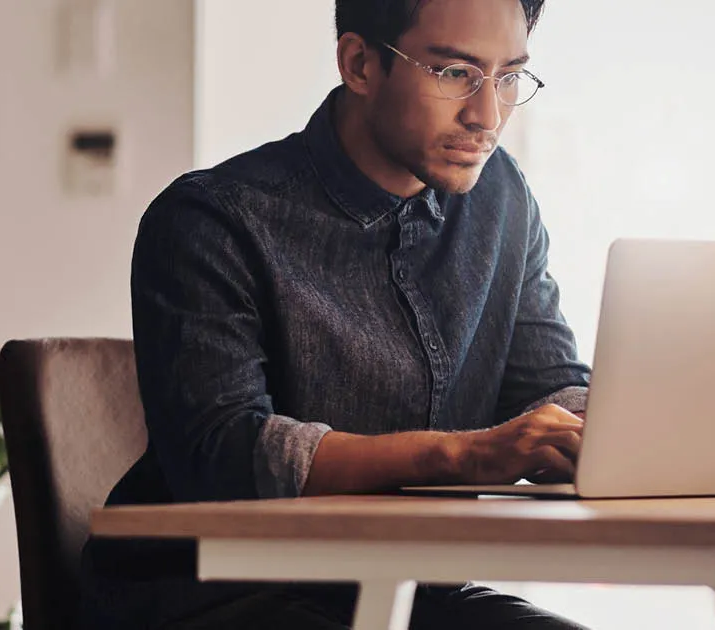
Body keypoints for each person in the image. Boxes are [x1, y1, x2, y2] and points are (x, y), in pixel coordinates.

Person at [81, 0, 592, 627]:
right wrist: (465, 456)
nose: (487, 115)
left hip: (411, 590)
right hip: (217, 592)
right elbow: (226, 454)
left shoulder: (502, 198)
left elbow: (549, 389)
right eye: (453, 73)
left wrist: (631, 429)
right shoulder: (212, 219)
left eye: (509, 76)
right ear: (359, 63)